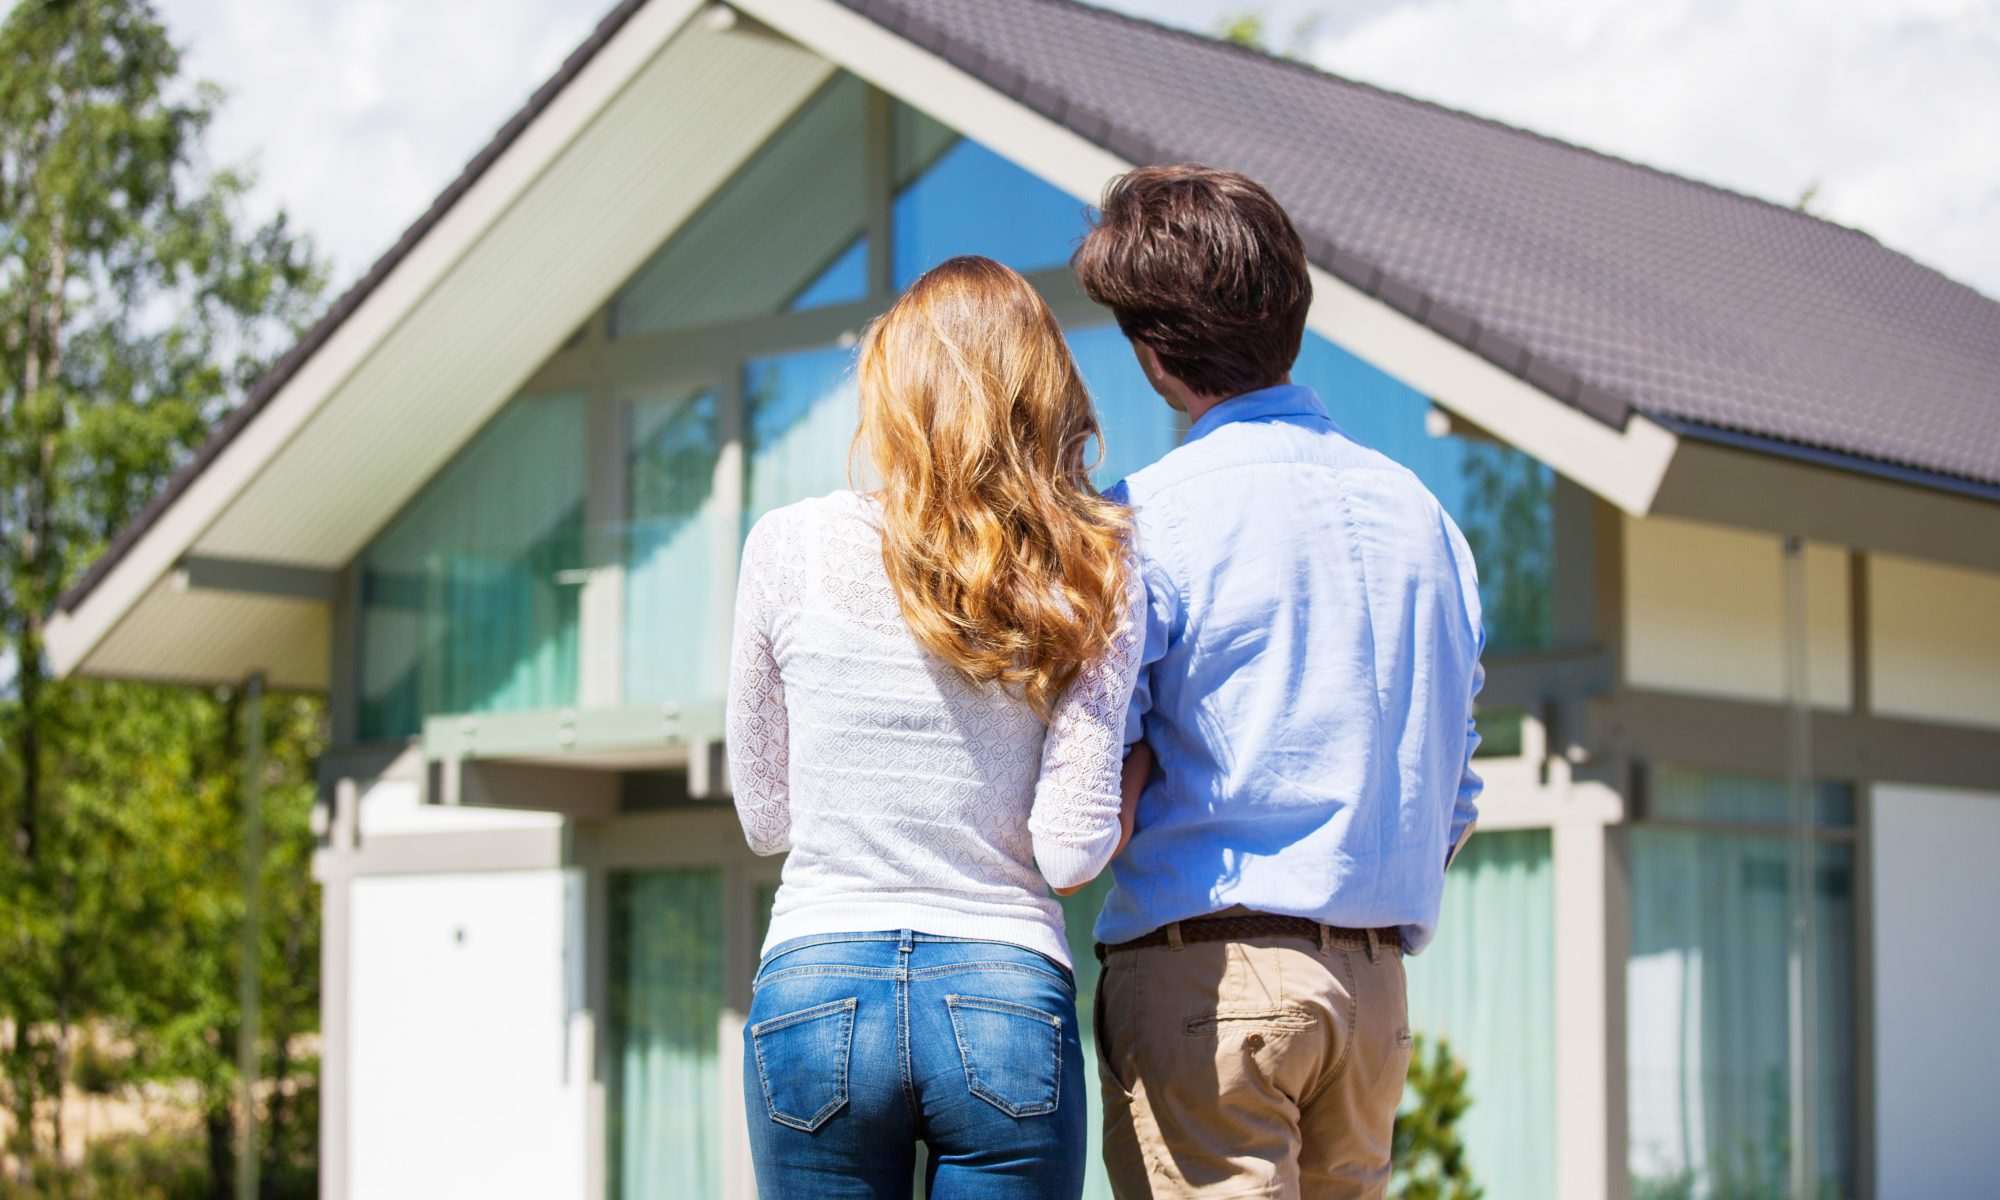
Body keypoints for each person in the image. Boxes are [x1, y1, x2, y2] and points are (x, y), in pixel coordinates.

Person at [1072, 165, 1486, 1200]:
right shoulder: (1424, 517)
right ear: (1291, 308)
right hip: (1372, 989)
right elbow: (1456, 787)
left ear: (1153, 350)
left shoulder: (1142, 518)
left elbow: (1091, 777)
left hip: (1210, 974)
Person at [726, 255, 1144, 1199]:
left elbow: (765, 819)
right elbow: (1069, 852)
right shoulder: (1098, 565)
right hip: (1003, 990)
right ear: (1044, 393)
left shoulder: (786, 544)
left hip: (816, 982)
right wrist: (1143, 768)